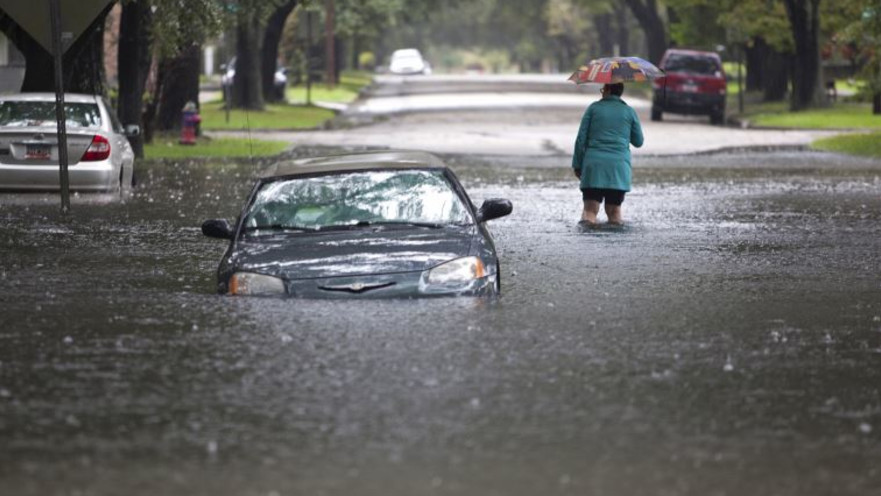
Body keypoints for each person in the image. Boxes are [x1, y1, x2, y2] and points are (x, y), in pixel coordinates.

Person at [571, 82, 644, 225]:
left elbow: (581, 140)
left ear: (609, 89)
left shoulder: (593, 108)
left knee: (590, 211)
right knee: (614, 213)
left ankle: (587, 245)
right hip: (618, 169)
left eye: (603, 89)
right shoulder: (629, 111)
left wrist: (577, 165)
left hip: (594, 167)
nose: (602, 92)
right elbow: (638, 141)